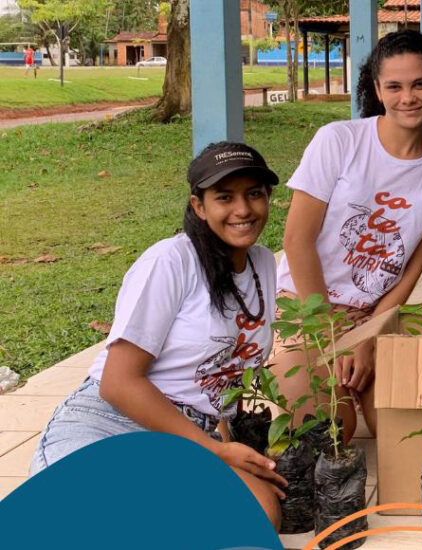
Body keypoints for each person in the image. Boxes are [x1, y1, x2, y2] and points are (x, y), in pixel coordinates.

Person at [29, 141, 287, 528]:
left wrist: (222, 439)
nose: (243, 210)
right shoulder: (170, 262)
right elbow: (118, 383)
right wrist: (214, 452)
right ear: (199, 207)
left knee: (258, 513)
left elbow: (218, 375)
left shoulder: (262, 262)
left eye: (254, 194)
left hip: (189, 435)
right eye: (224, 197)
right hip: (112, 423)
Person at [272, 30, 422, 443]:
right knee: (332, 430)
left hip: (372, 313)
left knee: (398, 433)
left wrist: (368, 335)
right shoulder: (339, 140)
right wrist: (332, 335)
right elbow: (296, 241)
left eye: (419, 84)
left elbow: (412, 268)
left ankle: (351, 379)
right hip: (305, 306)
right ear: (377, 89)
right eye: (394, 86)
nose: (407, 98)